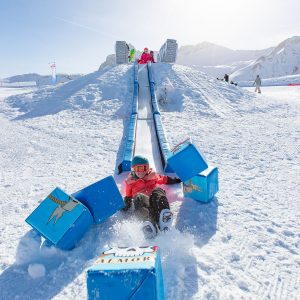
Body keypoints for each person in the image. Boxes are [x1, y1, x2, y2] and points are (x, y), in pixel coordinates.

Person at [123, 155, 181, 239]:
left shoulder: (152, 176)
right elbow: (128, 196)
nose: (140, 172)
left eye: (143, 168)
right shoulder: (130, 182)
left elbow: (164, 179)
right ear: (133, 170)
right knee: (138, 197)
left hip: (155, 203)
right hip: (145, 206)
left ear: (147, 168)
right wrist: (126, 204)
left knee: (158, 190)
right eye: (137, 169)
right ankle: (148, 224)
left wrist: (175, 180)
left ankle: (164, 214)